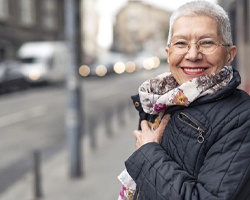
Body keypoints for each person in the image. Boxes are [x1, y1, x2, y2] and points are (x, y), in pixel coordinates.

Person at [118, 1, 250, 199]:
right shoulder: (159, 101)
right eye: (181, 43)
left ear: (229, 55)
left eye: (207, 42)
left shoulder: (242, 118)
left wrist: (147, 152)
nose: (193, 54)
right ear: (168, 53)